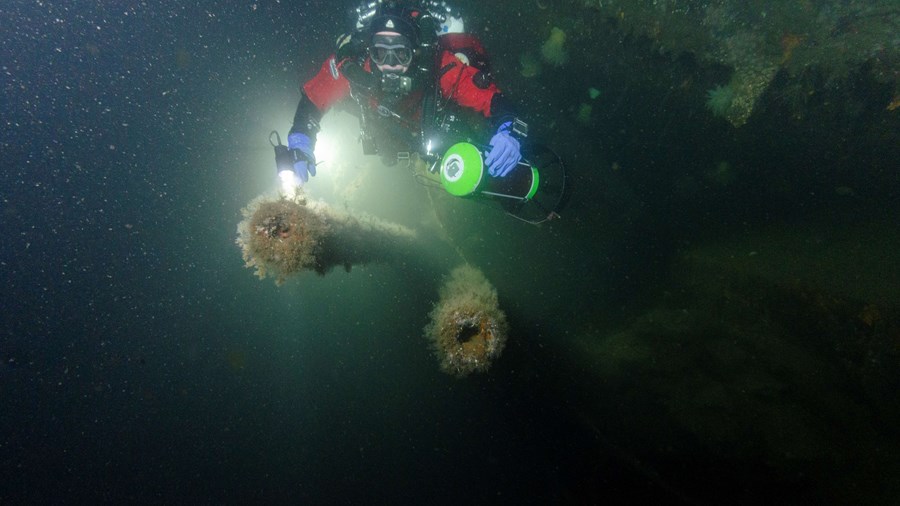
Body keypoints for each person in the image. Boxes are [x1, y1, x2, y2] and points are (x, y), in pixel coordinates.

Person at [283, 0, 527, 187]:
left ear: (415, 53)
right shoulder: (355, 66)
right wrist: (301, 141)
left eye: (400, 54)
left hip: (436, 130)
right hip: (387, 134)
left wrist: (509, 132)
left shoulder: (440, 65)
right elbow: (314, 100)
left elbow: (493, 100)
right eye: (380, 54)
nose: (389, 64)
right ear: (370, 52)